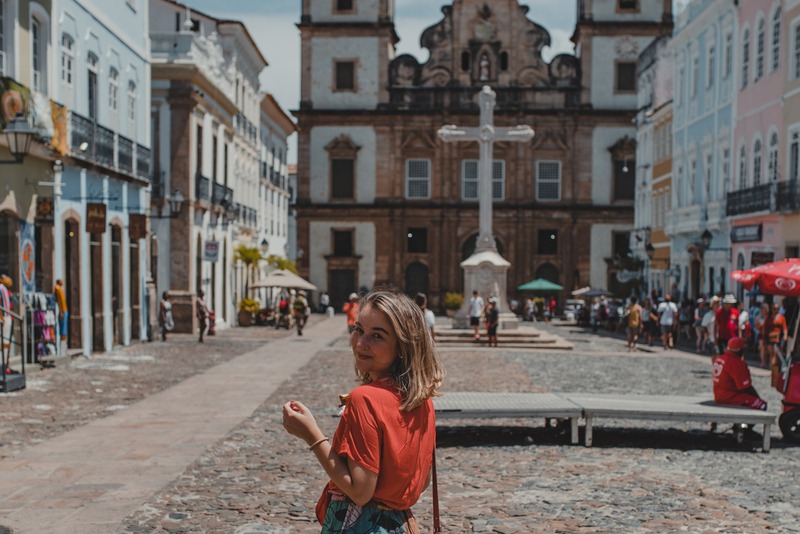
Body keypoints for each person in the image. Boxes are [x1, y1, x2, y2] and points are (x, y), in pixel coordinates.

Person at [282, 289, 445, 531]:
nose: (360, 343)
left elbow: (360, 492)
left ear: (402, 346)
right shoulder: (423, 401)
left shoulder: (365, 398)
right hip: (400, 524)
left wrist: (311, 435)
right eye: (359, 330)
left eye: (377, 336)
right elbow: (421, 483)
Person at [712, 337, 767, 411]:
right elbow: (746, 387)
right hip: (729, 396)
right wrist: (758, 398)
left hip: (718, 394)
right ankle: (744, 422)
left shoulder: (720, 358)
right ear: (739, 349)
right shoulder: (736, 363)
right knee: (762, 405)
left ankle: (738, 422)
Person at [0, 275, 12, 364]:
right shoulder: (1, 288)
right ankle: (2, 363)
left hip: (7, 316)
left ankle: (5, 363)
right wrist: (1, 316)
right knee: (4, 341)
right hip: (4, 317)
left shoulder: (5, 288)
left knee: (6, 341)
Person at [54, 279, 68, 351]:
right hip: (62, 311)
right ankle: (62, 348)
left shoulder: (60, 289)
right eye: (61, 281)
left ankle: (63, 347)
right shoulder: (57, 289)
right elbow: (59, 302)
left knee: (64, 329)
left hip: (64, 310)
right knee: (63, 329)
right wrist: (61, 312)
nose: (62, 282)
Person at [754, 302, 770, 368]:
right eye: (763, 309)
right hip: (761, 334)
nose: (765, 310)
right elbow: (756, 326)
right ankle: (763, 362)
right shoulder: (758, 317)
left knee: (768, 349)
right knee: (762, 348)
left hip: (768, 334)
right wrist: (761, 325)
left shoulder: (769, 317)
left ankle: (767, 361)